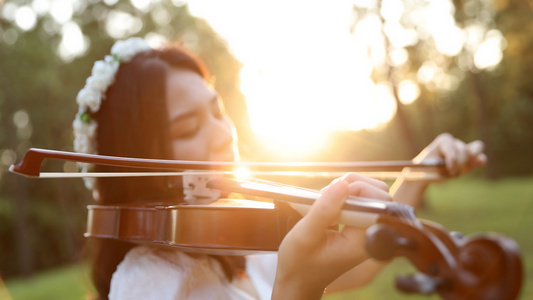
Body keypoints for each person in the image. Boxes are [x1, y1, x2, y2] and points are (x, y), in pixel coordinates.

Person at [72, 37, 486, 300]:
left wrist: (417, 172)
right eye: (188, 128)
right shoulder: (149, 285)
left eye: (218, 112)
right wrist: (297, 290)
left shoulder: (234, 244)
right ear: (136, 162)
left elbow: (358, 268)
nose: (222, 135)